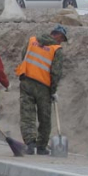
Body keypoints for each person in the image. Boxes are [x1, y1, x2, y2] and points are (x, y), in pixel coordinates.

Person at [15, 24, 67, 155]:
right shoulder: (56, 49)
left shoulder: (32, 40)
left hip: (26, 82)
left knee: (27, 114)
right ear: (57, 35)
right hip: (43, 86)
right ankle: (41, 146)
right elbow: (56, 72)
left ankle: (30, 144)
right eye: (61, 39)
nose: (61, 42)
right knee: (44, 117)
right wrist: (53, 90)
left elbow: (23, 56)